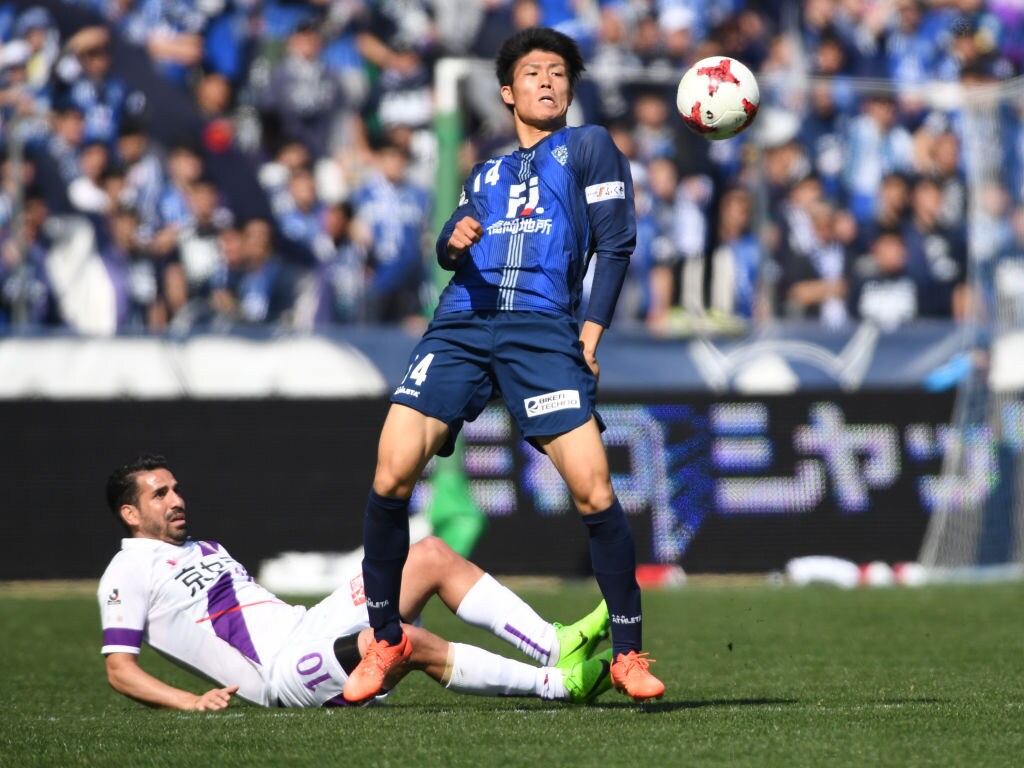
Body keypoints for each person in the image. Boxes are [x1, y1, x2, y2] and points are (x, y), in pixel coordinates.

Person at [346, 27, 664, 705]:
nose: (547, 81)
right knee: (391, 470)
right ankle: (385, 640)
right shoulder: (484, 171)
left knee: (595, 490)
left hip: (540, 329)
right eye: (533, 73)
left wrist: (591, 333)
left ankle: (629, 654)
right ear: (507, 92)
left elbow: (616, 245)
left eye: (558, 73)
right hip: (461, 324)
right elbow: (449, 247)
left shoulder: (590, 148)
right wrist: (450, 239)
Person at [99, 455, 613, 710]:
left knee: (429, 555)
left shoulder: (205, 548)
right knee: (399, 641)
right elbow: (120, 669)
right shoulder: (127, 571)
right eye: (160, 494)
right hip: (284, 674)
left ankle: (555, 644)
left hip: (310, 625)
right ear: (129, 512)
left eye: (176, 490)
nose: (176, 500)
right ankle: (558, 686)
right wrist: (191, 701)